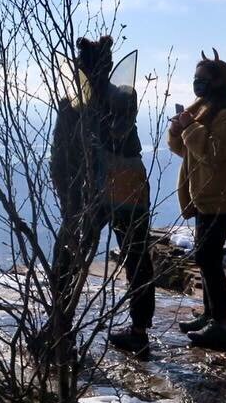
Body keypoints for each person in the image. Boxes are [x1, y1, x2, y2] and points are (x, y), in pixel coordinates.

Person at [49, 36, 156, 356]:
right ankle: (139, 331)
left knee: (67, 256)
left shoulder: (72, 106)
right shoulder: (126, 97)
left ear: (79, 69)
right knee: (137, 256)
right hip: (130, 185)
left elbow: (61, 158)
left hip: (89, 192)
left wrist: (68, 199)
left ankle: (60, 329)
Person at [167, 53, 226, 351]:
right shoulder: (206, 110)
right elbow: (189, 152)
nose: (197, 82)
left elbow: (213, 154)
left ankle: (221, 325)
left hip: (225, 198)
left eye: (203, 77)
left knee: (207, 258)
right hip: (208, 197)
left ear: (219, 81)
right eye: (196, 76)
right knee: (206, 258)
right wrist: (179, 130)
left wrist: (190, 127)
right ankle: (209, 316)